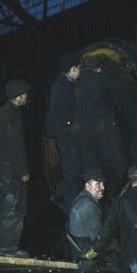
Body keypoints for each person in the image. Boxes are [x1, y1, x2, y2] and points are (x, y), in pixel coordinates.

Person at [0, 79, 31, 258]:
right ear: (19, 97)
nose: (27, 98)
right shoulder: (12, 115)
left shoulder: (1, 113)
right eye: (25, 95)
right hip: (11, 173)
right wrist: (23, 171)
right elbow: (15, 145)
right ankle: (7, 248)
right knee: (13, 210)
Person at [75, 55, 126, 191]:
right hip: (103, 127)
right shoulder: (100, 78)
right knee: (113, 158)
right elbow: (122, 87)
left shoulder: (76, 83)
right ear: (98, 69)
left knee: (91, 161)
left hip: (83, 131)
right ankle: (115, 189)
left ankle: (92, 190)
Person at [48, 52, 82, 210]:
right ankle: (71, 212)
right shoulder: (60, 85)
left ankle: (59, 193)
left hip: (71, 136)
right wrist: (74, 125)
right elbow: (62, 111)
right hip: (65, 136)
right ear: (73, 69)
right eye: (79, 68)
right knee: (71, 175)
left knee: (74, 173)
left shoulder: (70, 83)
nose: (80, 71)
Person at [67, 169, 106, 261]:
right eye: (98, 184)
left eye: (103, 184)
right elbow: (98, 237)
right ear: (87, 186)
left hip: (82, 246)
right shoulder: (87, 205)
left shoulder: (84, 198)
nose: (103, 187)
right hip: (85, 251)